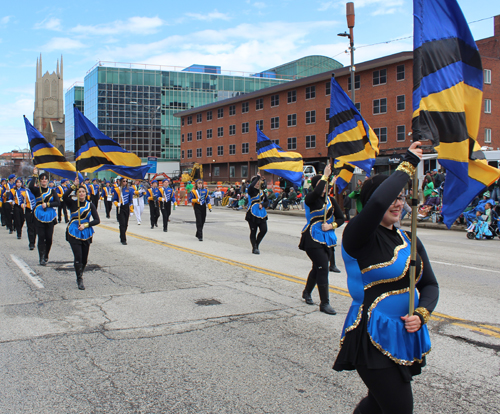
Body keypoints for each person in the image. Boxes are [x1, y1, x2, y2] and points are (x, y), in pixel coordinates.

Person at [333, 142, 439, 414]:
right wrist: (409, 163)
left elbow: (430, 285)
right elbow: (380, 200)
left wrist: (422, 313)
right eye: (393, 196)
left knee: (377, 405)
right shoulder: (358, 235)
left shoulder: (408, 238)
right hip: (371, 334)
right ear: (369, 204)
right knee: (399, 409)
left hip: (403, 333)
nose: (397, 203)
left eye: (401, 198)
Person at [299, 164, 345, 314]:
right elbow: (318, 190)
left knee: (317, 267)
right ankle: (324, 303)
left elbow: (342, 218)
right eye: (322, 184)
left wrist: (331, 225)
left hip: (327, 238)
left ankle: (306, 292)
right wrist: (325, 176)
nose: (324, 187)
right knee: (323, 267)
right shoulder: (310, 198)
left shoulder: (330, 200)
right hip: (312, 238)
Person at [63, 177, 100, 290]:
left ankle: (81, 272)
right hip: (74, 231)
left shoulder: (90, 205)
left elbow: (97, 220)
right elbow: (64, 197)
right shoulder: (72, 204)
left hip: (86, 231)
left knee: (84, 259)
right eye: (79, 192)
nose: (81, 193)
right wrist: (74, 185)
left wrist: (86, 225)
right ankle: (79, 278)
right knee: (78, 256)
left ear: (86, 193)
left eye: (83, 191)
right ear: (77, 193)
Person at [29, 168, 60, 265]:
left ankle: (46, 254)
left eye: (45, 179)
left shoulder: (52, 191)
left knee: (49, 238)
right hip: (39, 216)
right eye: (42, 179)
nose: (44, 180)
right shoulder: (37, 190)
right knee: (41, 237)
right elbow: (30, 186)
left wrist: (48, 205)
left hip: (49, 216)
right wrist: (34, 175)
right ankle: (41, 257)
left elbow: (58, 202)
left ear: (48, 181)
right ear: (40, 181)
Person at [245, 173, 269, 254]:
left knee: (264, 229)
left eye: (259, 182)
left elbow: (267, 201)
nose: (258, 184)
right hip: (252, 213)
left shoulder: (262, 192)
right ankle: (254, 247)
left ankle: (257, 244)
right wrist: (257, 177)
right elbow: (251, 186)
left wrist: (263, 205)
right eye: (257, 182)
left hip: (261, 213)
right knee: (253, 231)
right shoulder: (251, 191)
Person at [113, 177, 134, 245]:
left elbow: (131, 200)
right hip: (120, 207)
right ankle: (123, 239)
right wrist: (117, 204)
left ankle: (122, 234)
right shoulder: (117, 189)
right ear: (121, 182)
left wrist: (131, 210)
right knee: (122, 224)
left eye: (126, 181)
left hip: (126, 207)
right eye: (124, 181)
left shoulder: (130, 189)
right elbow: (114, 200)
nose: (125, 182)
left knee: (126, 224)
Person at [23, 182, 37, 250]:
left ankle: (34, 240)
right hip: (29, 210)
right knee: (30, 227)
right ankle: (31, 243)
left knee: (35, 228)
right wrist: (22, 204)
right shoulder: (26, 192)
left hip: (37, 211)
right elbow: (22, 200)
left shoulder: (38, 191)